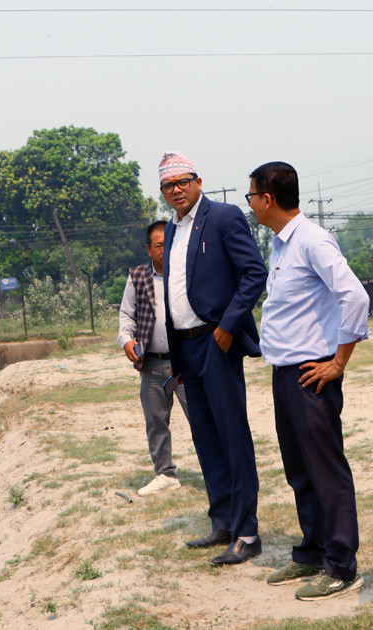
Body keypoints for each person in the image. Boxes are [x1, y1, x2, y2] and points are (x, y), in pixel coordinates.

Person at [248, 161, 368, 600]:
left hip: (312, 374)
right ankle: (314, 551)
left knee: (326, 470)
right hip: (286, 373)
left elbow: (354, 296)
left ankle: (341, 565)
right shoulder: (282, 245)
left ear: (268, 199)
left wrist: (338, 362)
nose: (250, 203)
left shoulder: (313, 241)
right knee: (301, 471)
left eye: (251, 196)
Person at [158, 151, 268, 566]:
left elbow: (254, 273)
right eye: (168, 185)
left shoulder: (223, 217)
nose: (177, 190)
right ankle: (222, 520)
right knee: (205, 438)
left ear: (198, 181)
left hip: (217, 342)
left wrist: (227, 325)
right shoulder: (171, 230)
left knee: (230, 435)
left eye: (182, 181)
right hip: (185, 348)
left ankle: (247, 532)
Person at [118, 220, 190, 497]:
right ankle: (164, 473)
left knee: (200, 418)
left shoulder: (185, 275)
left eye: (169, 244)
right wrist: (126, 340)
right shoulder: (138, 277)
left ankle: (214, 471)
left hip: (185, 362)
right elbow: (127, 314)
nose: (165, 250)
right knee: (156, 421)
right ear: (149, 249)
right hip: (151, 362)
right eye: (159, 245)